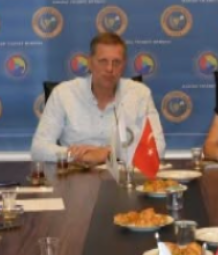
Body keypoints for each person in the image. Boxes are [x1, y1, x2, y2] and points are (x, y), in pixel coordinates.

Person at [31, 32, 165, 165]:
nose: (109, 68)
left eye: (116, 62)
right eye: (103, 61)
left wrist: (108, 154)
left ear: (124, 65)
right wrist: (81, 156)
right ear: (90, 63)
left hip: (123, 175)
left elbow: (158, 148)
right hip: (75, 174)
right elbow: (38, 148)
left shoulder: (140, 94)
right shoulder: (64, 94)